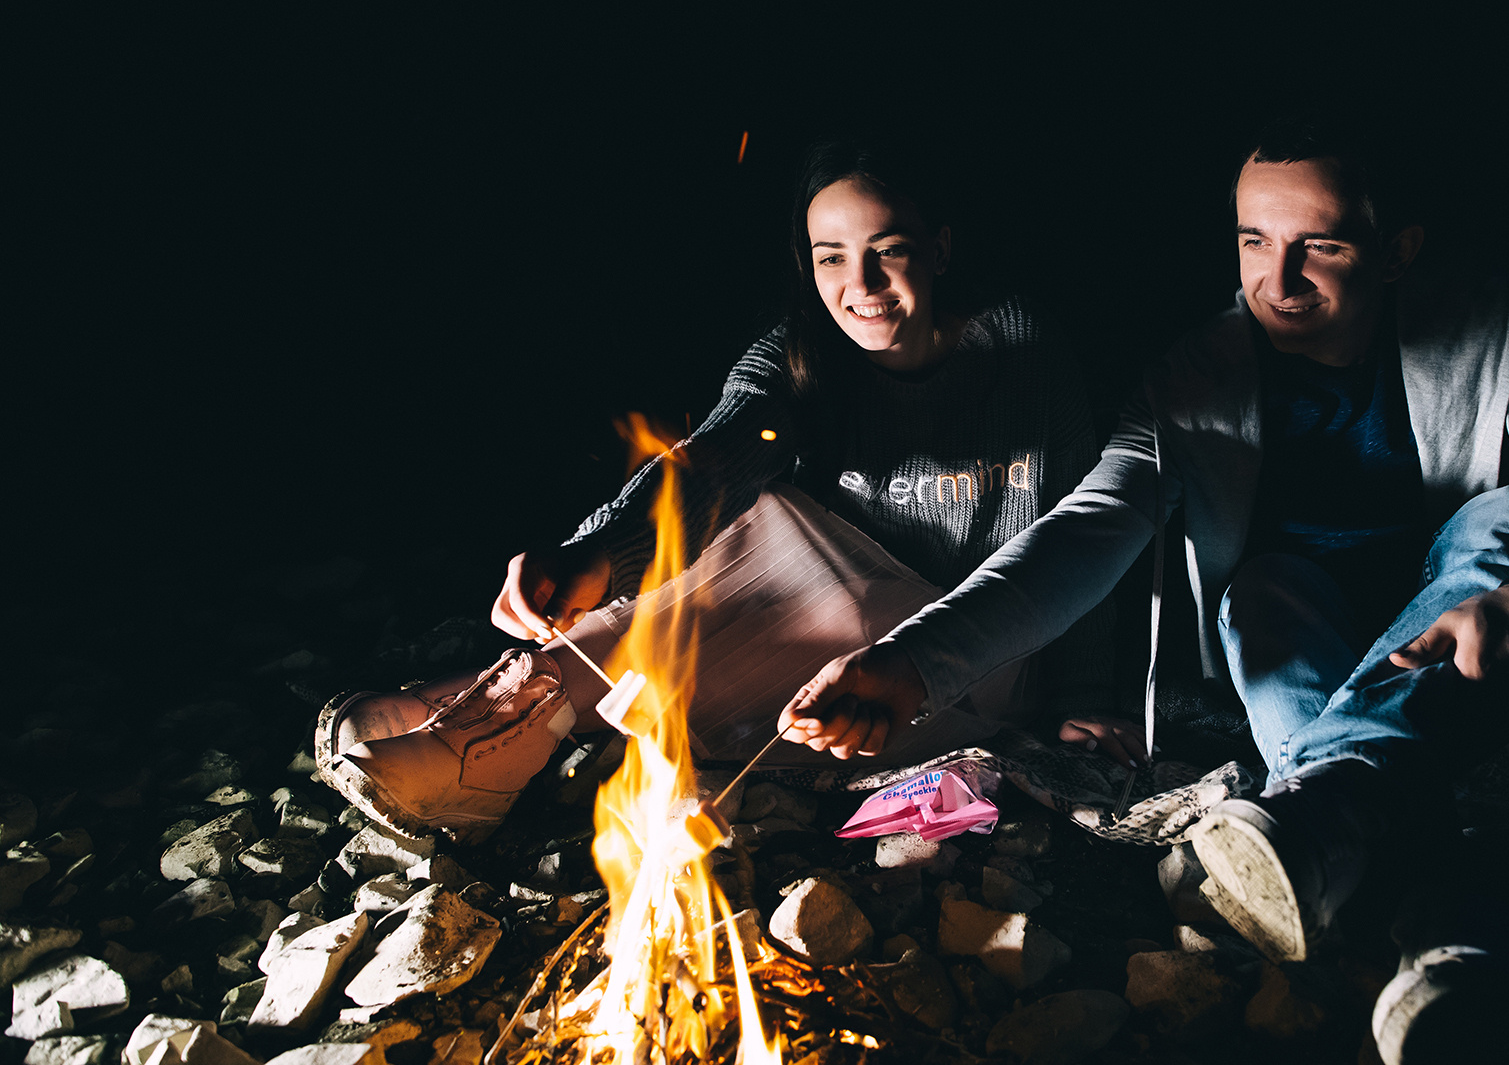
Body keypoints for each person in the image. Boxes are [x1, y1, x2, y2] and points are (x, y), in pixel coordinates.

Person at [778, 113, 1509, 966]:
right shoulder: (1190, 379)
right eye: (1254, 241)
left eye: (1321, 247)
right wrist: (914, 663)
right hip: (1297, 641)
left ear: (1397, 251)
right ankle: (1432, 930)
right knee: (1262, 588)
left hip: (1456, 640)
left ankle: (1322, 824)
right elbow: (1086, 531)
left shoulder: (1497, 325)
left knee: (1500, 519)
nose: (1279, 278)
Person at [314, 139, 1139, 842]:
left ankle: (504, 731)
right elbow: (714, 460)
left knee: (794, 556)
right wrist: (597, 552)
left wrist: (1088, 696)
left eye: (888, 249)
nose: (863, 283)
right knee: (744, 518)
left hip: (957, 655)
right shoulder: (800, 353)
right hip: (808, 619)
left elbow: (1084, 529)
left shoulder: (1022, 350)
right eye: (831, 258)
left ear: (940, 249)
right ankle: (501, 706)